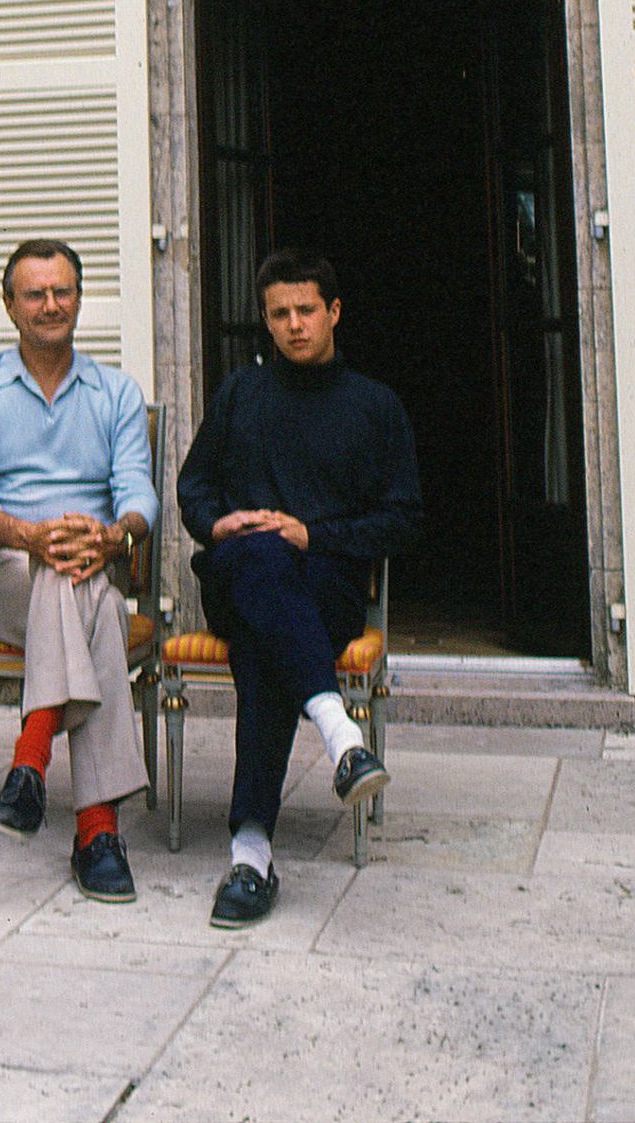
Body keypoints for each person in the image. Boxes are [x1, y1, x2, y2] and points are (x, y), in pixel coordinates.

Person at [177, 250, 421, 928]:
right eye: (279, 313)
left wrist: (314, 535)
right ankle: (340, 732)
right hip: (235, 581)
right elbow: (193, 488)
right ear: (266, 318)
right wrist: (218, 521)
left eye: (306, 309)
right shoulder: (239, 394)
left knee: (267, 643)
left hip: (327, 585)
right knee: (257, 554)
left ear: (334, 311)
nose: (293, 324)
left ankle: (251, 853)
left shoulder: (375, 406)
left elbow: (405, 518)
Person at [0, 238, 158, 905]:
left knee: (79, 578)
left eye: (62, 291)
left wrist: (114, 532)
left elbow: (139, 493)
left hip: (91, 558)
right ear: (9, 304)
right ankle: (96, 831)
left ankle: (32, 764)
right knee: (79, 585)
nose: (50, 304)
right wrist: (30, 535)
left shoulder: (117, 392)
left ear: (79, 298)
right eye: (35, 293)